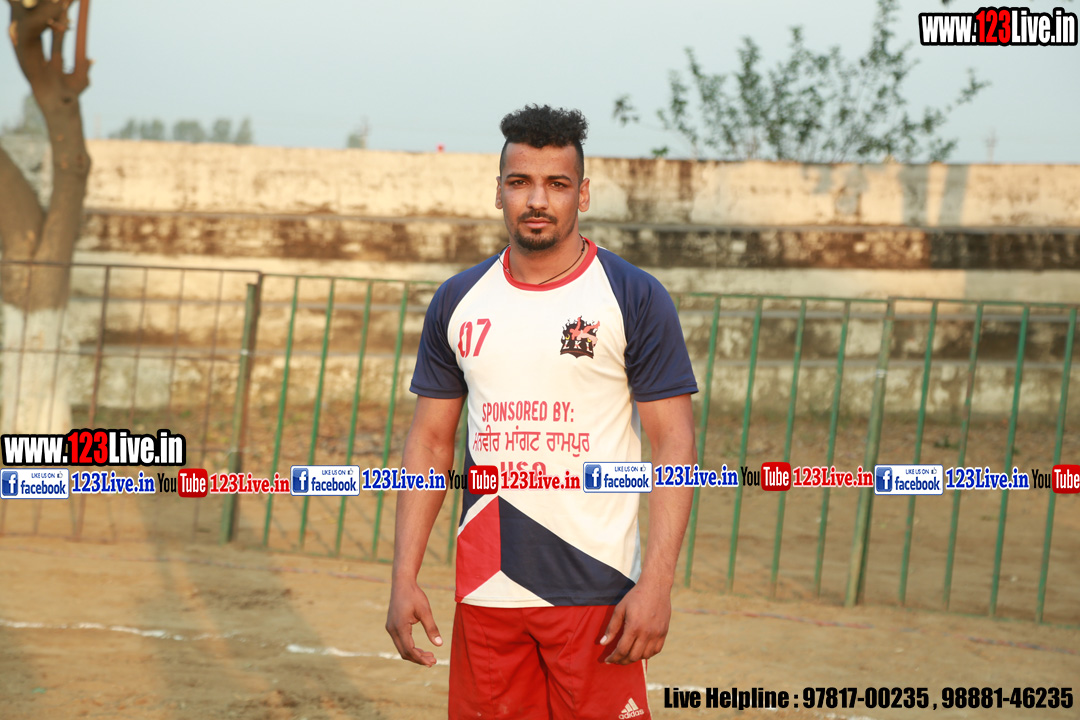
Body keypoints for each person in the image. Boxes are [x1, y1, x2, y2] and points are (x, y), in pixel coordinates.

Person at [385, 104, 698, 720]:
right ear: (498, 191)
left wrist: (657, 585)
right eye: (520, 182)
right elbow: (429, 443)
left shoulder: (632, 295)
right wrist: (403, 576)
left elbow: (675, 446)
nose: (537, 200)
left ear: (582, 194)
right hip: (488, 585)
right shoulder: (457, 299)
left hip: (597, 586)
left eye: (556, 184)